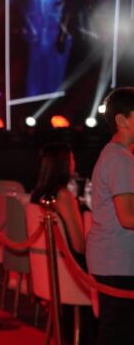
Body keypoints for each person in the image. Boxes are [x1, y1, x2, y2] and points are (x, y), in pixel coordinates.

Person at [86, 87, 134, 345]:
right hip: (117, 262)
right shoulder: (120, 159)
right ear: (121, 120)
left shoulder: (116, 155)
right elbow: (127, 218)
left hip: (112, 259)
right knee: (118, 334)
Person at [30, 143, 86, 266]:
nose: (74, 162)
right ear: (64, 164)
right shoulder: (63, 196)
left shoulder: (36, 195)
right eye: (72, 159)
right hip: (68, 267)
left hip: (42, 264)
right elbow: (79, 246)